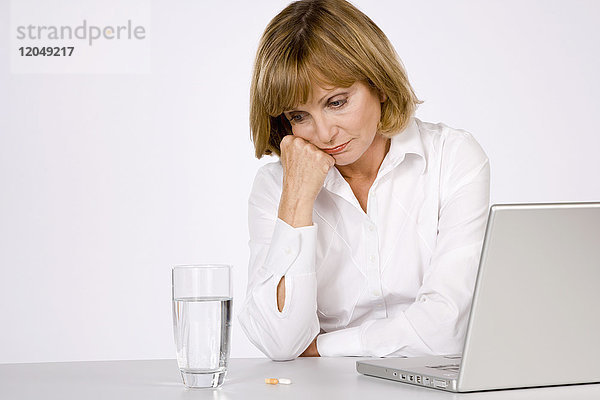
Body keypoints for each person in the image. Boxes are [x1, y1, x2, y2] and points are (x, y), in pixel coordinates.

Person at [238, 0, 490, 361]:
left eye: (337, 102)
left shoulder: (453, 158)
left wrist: (322, 348)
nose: (324, 133)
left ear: (380, 85)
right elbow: (280, 343)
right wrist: (297, 198)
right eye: (299, 115)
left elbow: (447, 329)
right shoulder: (276, 187)